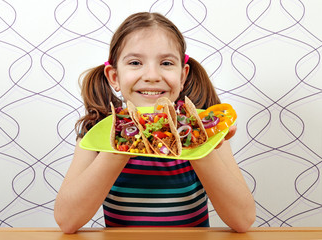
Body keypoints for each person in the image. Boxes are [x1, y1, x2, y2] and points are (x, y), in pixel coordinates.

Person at [54, 12, 256, 234]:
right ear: (114, 77)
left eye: (166, 63)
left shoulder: (208, 133)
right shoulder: (96, 132)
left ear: (182, 76)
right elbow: (67, 220)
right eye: (135, 62)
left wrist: (199, 141)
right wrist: (123, 143)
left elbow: (243, 220)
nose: (152, 75)